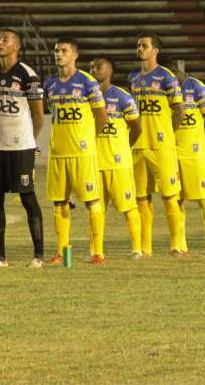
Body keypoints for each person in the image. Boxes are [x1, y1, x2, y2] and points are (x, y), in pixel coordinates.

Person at [43, 39, 108, 265]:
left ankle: (97, 252)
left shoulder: (87, 82)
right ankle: (61, 252)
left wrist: (88, 139)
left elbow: (102, 117)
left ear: (75, 56)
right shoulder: (49, 84)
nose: (59, 54)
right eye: (56, 51)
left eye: (64, 51)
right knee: (59, 202)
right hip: (58, 152)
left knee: (91, 200)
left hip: (82, 153)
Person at [0, 28, 45, 268]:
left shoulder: (28, 75)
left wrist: (29, 141)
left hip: (21, 149)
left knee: (28, 199)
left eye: (5, 39)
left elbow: (38, 115)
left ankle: (38, 256)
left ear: (17, 47)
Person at [129, 35, 186, 256]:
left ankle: (176, 245)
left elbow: (179, 109)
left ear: (155, 51)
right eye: (138, 45)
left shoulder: (166, 77)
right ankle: (146, 247)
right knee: (141, 197)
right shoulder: (133, 77)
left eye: (144, 45)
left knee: (169, 195)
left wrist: (168, 132)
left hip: (161, 146)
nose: (140, 48)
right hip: (139, 146)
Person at [90, 58, 144, 259]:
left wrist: (123, 146)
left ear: (110, 70)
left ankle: (137, 249)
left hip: (118, 162)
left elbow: (136, 127)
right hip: (94, 162)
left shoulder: (122, 96)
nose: (94, 70)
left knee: (128, 206)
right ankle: (96, 251)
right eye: (91, 67)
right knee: (96, 209)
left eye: (98, 67)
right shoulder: (86, 97)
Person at [175, 68, 205, 254]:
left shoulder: (196, 86)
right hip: (172, 152)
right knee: (176, 199)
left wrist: (199, 135)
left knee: (203, 198)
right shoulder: (163, 89)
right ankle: (180, 245)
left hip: (194, 153)